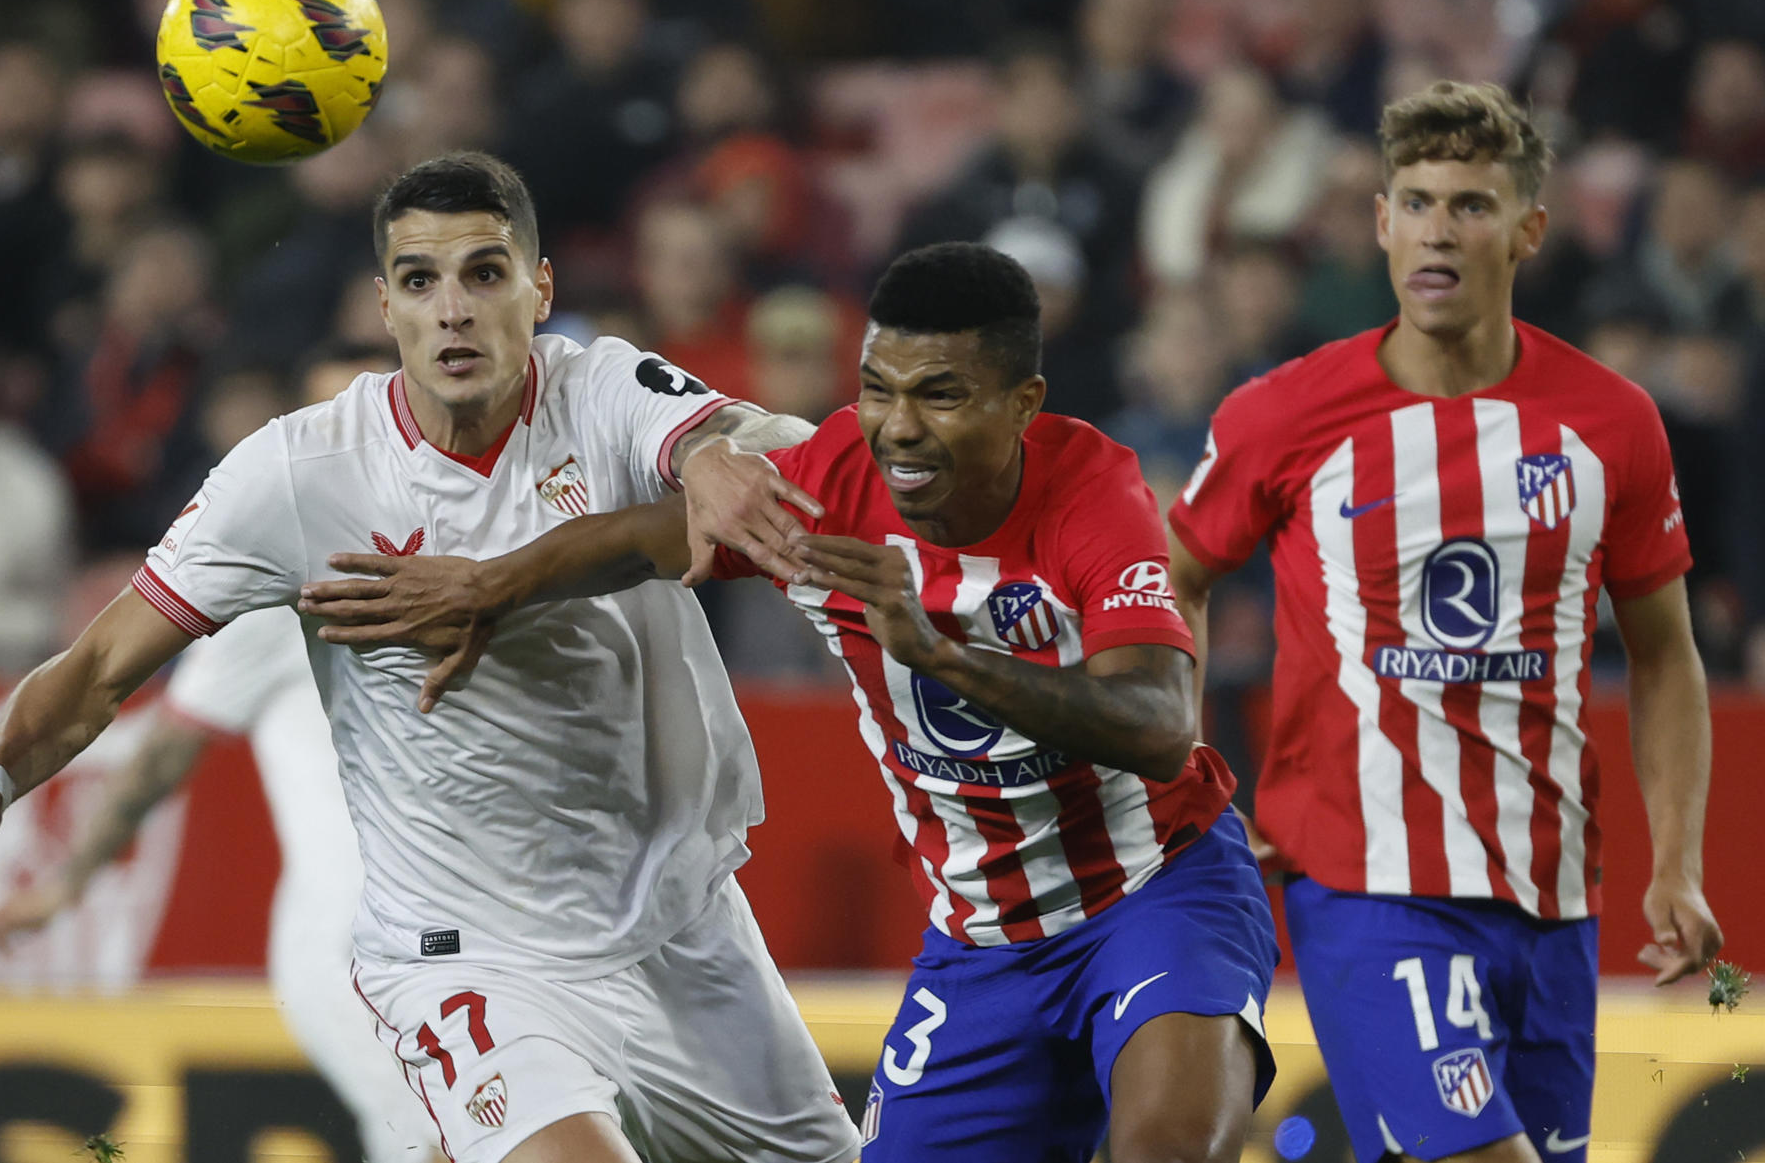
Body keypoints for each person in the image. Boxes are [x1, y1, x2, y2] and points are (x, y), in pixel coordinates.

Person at [0, 151, 861, 1163]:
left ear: (540, 291)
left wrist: (719, 452)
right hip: (467, 953)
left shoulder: (603, 388)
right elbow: (99, 670)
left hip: (679, 926)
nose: (452, 309)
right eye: (419, 281)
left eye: (485, 275)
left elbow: (741, 442)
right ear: (384, 305)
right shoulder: (297, 473)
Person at [298, 242, 1279, 1163]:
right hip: (980, 940)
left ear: (1023, 403)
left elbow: (1158, 726)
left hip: (1155, 890)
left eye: (941, 394)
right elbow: (645, 537)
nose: (900, 427)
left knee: (1167, 1149)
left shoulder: (1090, 490)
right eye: (879, 390)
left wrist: (942, 655)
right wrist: (485, 585)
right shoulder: (832, 485)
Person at [1165, 81, 1722, 1163]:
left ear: (1529, 232)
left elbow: (1666, 656)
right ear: (1379, 223)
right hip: (1365, 886)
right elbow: (1173, 578)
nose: (1436, 229)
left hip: (1550, 891)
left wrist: (1679, 863)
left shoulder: (1613, 423)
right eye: (1414, 202)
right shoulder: (1282, 415)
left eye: (1470, 205)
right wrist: (1186, 777)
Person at [0, 344, 440, 1163]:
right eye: (339, 420)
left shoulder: (473, 558)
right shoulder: (285, 589)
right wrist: (67, 883)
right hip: (351, 942)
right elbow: (164, 750)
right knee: (435, 1139)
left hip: (474, 925)